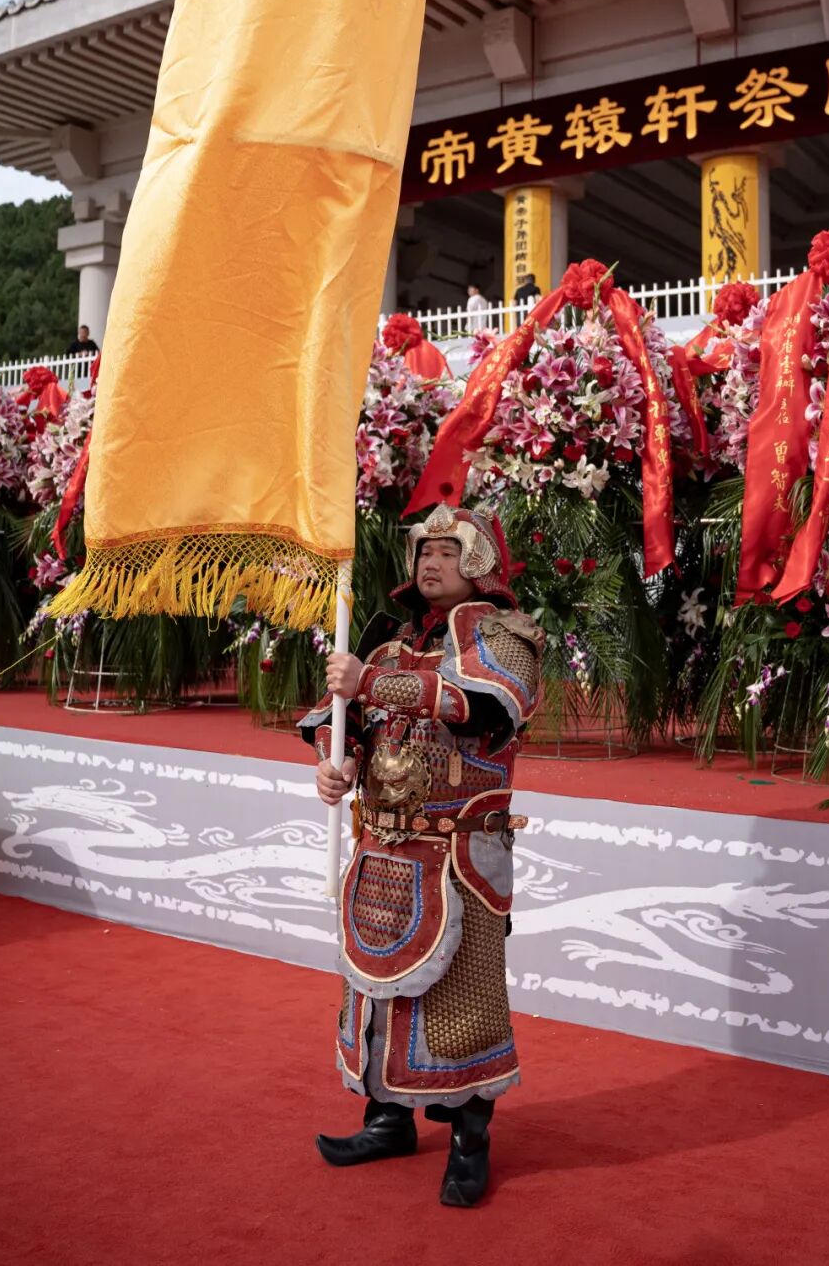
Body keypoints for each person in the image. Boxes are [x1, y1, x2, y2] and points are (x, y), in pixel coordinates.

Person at [299, 505, 544, 1207]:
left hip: (459, 857)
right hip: (381, 850)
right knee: (374, 993)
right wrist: (336, 762)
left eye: (447, 550)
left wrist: (367, 685)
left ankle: (470, 1139)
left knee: (463, 1000)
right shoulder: (384, 645)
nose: (430, 562)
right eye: (424, 551)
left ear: (479, 561)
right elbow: (337, 722)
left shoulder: (507, 636)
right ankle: (387, 1119)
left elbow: (487, 705)